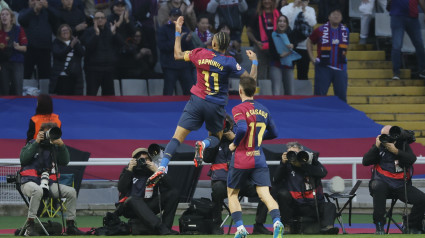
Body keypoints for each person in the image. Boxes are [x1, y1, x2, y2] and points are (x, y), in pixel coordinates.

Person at [146, 15, 258, 186]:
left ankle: (162, 166)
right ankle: (203, 144)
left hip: (196, 101)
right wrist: (255, 62)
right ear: (226, 46)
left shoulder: (199, 53)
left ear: (212, 43)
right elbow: (250, 82)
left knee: (177, 137)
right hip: (216, 105)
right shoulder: (229, 62)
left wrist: (178, 32)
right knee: (216, 137)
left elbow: (177, 54)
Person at [227, 76, 283, 238]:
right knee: (265, 194)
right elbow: (275, 133)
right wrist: (257, 138)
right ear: (254, 90)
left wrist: (235, 144)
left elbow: (243, 129)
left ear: (240, 90)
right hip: (259, 158)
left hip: (241, 159)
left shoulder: (238, 109)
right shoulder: (264, 109)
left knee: (232, 194)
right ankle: (277, 222)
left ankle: (240, 228)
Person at [204, 114, 272, 235]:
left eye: (225, 127)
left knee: (266, 189)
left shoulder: (239, 140)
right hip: (222, 181)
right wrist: (216, 139)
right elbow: (207, 158)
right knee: (217, 190)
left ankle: (259, 225)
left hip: (241, 181)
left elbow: (251, 153)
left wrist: (234, 140)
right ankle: (217, 224)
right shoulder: (212, 141)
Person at [20, 122, 84, 236]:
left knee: (71, 192)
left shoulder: (53, 148)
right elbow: (23, 160)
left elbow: (65, 162)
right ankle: (30, 226)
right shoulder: (31, 143)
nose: (49, 135)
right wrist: (36, 142)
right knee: (37, 190)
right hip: (28, 182)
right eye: (47, 133)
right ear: (40, 133)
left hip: (48, 183)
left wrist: (62, 145)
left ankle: (70, 226)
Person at [362, 125, 425, 234]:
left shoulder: (403, 146)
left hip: (401, 185)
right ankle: (379, 226)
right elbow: (365, 161)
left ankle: (412, 226)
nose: (386, 138)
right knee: (378, 186)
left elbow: (411, 159)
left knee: (422, 199)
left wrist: (396, 151)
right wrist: (376, 147)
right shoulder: (379, 147)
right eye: (383, 135)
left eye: (388, 135)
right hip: (381, 184)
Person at [272, 142, 339, 234]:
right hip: (295, 206)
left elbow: (323, 173)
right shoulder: (286, 167)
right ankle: (286, 226)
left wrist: (306, 164)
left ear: (302, 153)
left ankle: (327, 228)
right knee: (282, 193)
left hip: (314, 205)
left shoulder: (311, 164)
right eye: (289, 153)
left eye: (295, 153)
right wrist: (282, 163)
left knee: (330, 206)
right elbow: (276, 179)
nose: (293, 156)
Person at [117, 147, 179, 235]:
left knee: (174, 194)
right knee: (133, 199)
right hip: (130, 208)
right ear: (134, 160)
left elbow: (172, 187)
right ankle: (161, 228)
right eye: (140, 159)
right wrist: (129, 170)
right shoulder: (128, 170)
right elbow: (121, 188)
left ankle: (166, 228)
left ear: (150, 160)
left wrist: (157, 171)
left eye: (146, 159)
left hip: (148, 205)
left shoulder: (153, 171)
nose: (143, 162)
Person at [307, 8, 349, 102]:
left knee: (341, 98)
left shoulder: (346, 30)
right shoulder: (320, 29)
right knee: (319, 97)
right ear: (329, 17)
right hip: (323, 67)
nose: (336, 16)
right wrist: (312, 58)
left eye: (338, 14)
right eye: (334, 14)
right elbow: (309, 41)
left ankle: (341, 116)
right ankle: (319, 116)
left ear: (341, 18)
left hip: (340, 68)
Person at [81, 10, 124, 96]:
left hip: (108, 69)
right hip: (93, 70)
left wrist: (114, 33)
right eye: (97, 18)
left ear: (105, 20)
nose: (100, 19)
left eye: (102, 18)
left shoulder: (110, 30)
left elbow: (122, 44)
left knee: (109, 98)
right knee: (91, 97)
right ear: (94, 20)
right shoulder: (88, 31)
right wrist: (96, 34)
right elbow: (88, 47)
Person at [18, 0, 59, 86]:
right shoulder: (25, 11)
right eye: (32, 0)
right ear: (28, 2)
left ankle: (44, 95)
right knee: (27, 72)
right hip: (29, 48)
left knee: (45, 74)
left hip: (45, 48)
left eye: (37, 0)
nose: (35, 2)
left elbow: (58, 17)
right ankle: (26, 95)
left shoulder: (46, 12)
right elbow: (21, 19)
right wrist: (33, 10)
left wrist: (48, 7)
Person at [157, 8, 194, 95]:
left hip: (184, 66)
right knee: (168, 93)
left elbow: (190, 49)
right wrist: (178, 40)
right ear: (169, 17)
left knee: (190, 93)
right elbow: (163, 47)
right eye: (174, 16)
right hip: (169, 66)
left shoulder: (185, 30)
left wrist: (188, 41)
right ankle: (166, 108)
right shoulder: (163, 30)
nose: (176, 19)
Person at [388, 0, 425, 80]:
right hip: (399, 16)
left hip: (410, 16)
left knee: (419, 44)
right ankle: (396, 72)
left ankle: (422, 70)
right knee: (397, 45)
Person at [280, 0, 316, 81]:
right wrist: (294, 7)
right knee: (286, 74)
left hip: (304, 47)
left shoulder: (310, 10)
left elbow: (312, 22)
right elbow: (284, 20)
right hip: (288, 46)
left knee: (303, 75)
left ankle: (302, 93)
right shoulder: (287, 8)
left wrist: (304, 9)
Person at [246, 0, 280, 80]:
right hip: (260, 48)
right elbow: (248, 31)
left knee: (273, 75)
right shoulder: (256, 14)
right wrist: (256, 42)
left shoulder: (278, 14)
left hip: (275, 49)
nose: (267, 1)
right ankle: (262, 92)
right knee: (261, 74)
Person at [270, 15, 301, 95]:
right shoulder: (272, 35)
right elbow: (271, 52)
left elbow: (296, 49)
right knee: (276, 91)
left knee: (290, 92)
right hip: (276, 65)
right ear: (277, 23)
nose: (282, 23)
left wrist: (292, 46)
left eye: (284, 21)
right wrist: (281, 55)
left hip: (288, 66)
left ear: (287, 24)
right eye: (280, 21)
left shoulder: (291, 35)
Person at [51, 24, 85, 95]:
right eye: (63, 30)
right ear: (59, 33)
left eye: (67, 30)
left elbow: (82, 53)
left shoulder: (75, 42)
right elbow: (59, 54)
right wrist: (71, 46)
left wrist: (76, 43)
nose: (65, 32)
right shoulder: (56, 42)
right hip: (62, 76)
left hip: (74, 76)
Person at [0, 8, 27, 96]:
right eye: (2, 14)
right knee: (4, 89)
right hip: (3, 63)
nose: (4, 16)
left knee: (17, 88)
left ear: (11, 17)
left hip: (16, 61)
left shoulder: (18, 29)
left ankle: (18, 109)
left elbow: (25, 48)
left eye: (6, 14)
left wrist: (18, 47)